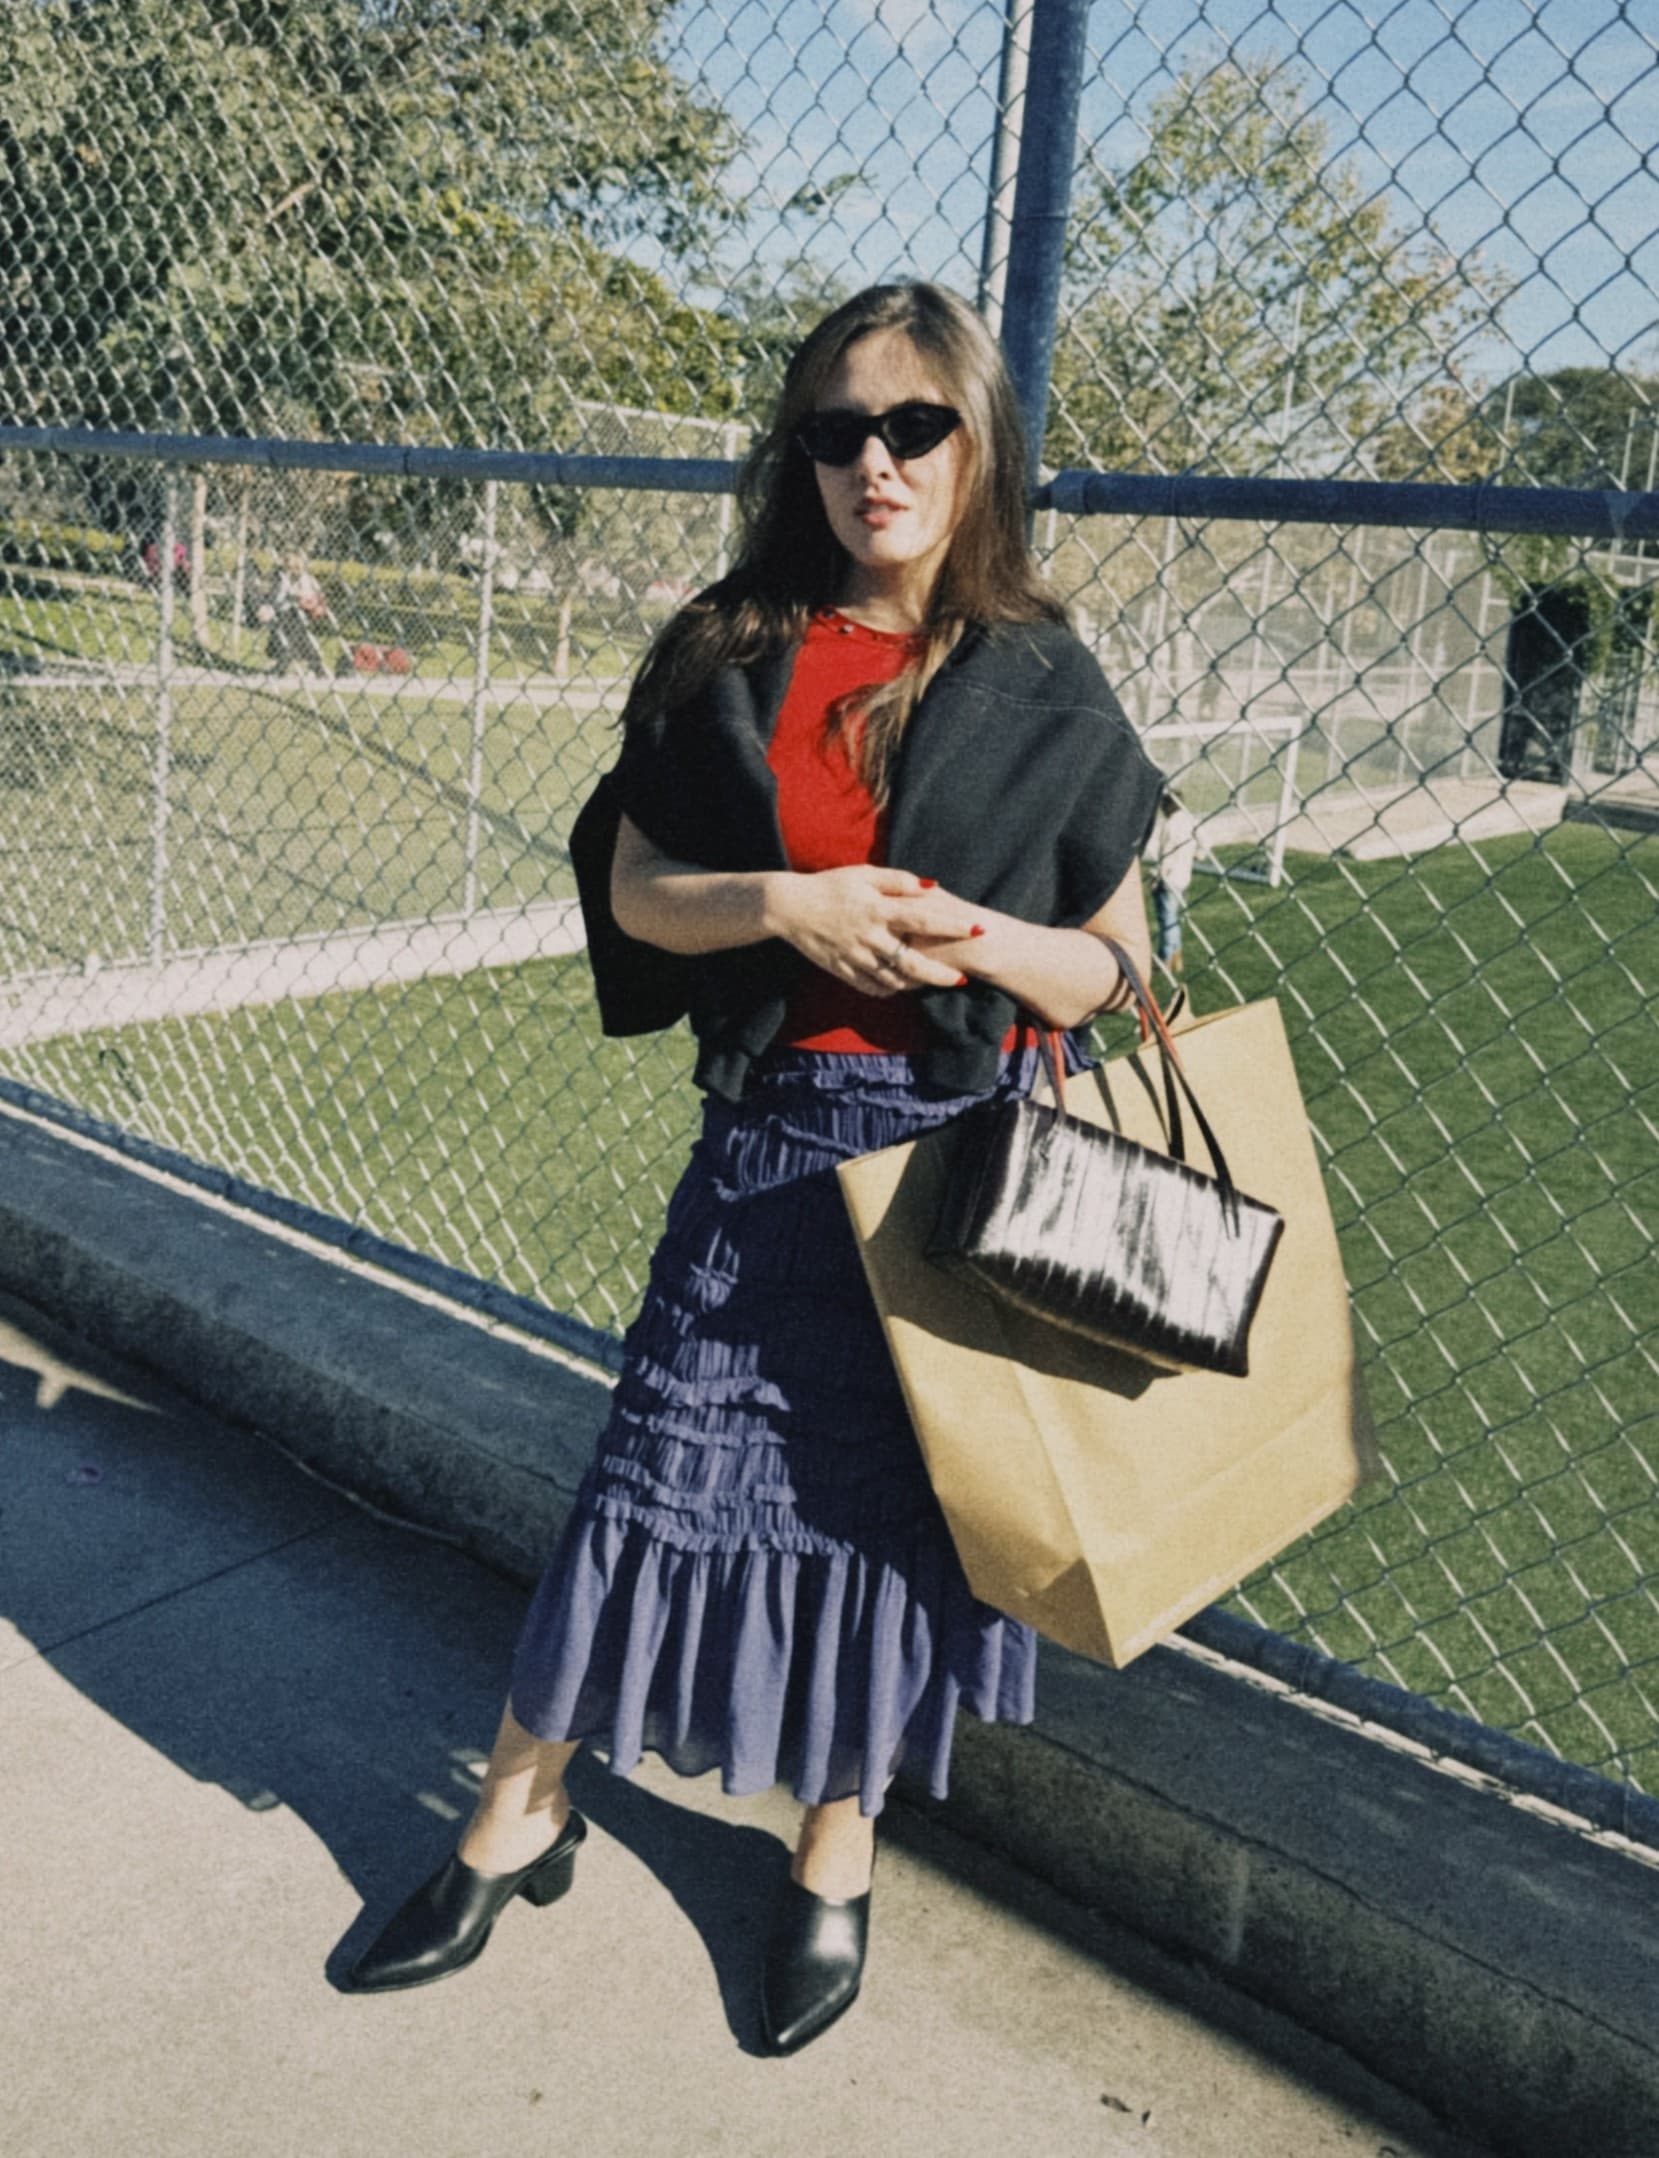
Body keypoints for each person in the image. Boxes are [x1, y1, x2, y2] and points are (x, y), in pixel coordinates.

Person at [345, 282, 1163, 2051]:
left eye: (914, 427)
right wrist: (787, 904)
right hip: (773, 1145)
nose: (876, 463)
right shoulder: (730, 645)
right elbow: (636, 891)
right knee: (648, 1472)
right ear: (798, 454)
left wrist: (973, 939)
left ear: (976, 446)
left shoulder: (1042, 672)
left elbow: (1120, 963)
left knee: (891, 1513)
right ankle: (514, 1812)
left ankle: (831, 1848)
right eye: (836, 431)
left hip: (956, 1169)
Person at [1147, 788, 1198, 976]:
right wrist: (1195, 855)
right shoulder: (1190, 821)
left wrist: (1156, 877)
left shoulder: (1170, 825)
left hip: (1170, 879)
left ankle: (1165, 959)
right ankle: (1177, 957)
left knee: (1167, 919)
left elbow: (1166, 857)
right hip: (1184, 876)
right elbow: (1204, 843)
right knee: (1174, 917)